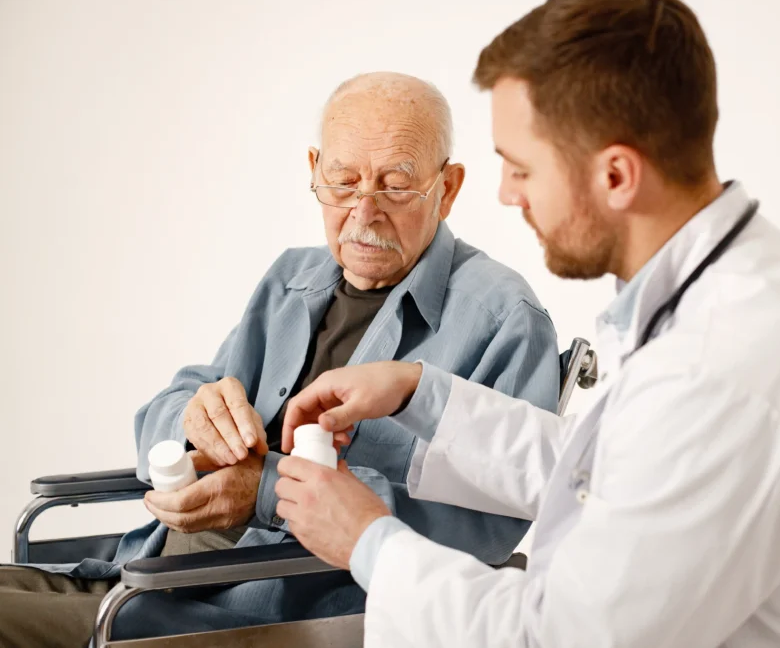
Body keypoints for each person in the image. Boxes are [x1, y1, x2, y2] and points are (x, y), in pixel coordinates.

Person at [276, 0, 780, 648]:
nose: (506, 194)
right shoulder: (732, 281)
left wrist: (368, 540)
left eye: (523, 169)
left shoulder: (724, 363)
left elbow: (559, 638)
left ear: (616, 176)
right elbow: (614, 468)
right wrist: (418, 392)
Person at [0, 72, 560, 646]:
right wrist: (191, 418)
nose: (363, 213)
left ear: (447, 188)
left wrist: (268, 493)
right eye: (342, 182)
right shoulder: (294, 278)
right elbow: (183, 398)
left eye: (395, 187)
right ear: (314, 170)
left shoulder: (503, 318)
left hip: (259, 609)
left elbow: (486, 530)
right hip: (143, 570)